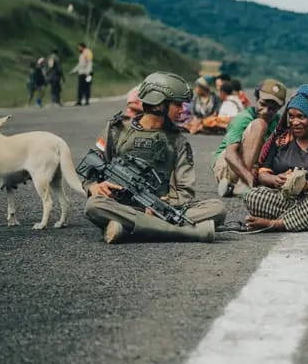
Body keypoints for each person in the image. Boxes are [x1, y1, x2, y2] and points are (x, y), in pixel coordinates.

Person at [82, 72, 226, 244]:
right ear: (159, 104)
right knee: (94, 205)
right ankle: (186, 232)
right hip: (119, 205)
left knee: (217, 209)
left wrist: (166, 203)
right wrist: (94, 187)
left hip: (160, 208)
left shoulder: (178, 140)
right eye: (178, 104)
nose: (182, 110)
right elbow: (90, 171)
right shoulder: (116, 130)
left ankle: (130, 229)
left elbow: (185, 190)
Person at [233, 85, 308, 233]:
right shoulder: (280, 140)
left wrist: (307, 185)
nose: (294, 122)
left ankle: (276, 224)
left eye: (301, 117)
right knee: (252, 196)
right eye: (291, 116)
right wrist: (274, 179)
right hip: (284, 199)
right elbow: (262, 174)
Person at [213, 79, 287, 197]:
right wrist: (250, 179)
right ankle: (242, 184)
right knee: (260, 124)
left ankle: (232, 185)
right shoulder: (244, 117)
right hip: (228, 165)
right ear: (256, 99)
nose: (266, 111)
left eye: (272, 108)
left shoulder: (279, 123)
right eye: (263, 104)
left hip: (254, 167)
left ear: (280, 107)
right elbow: (229, 154)